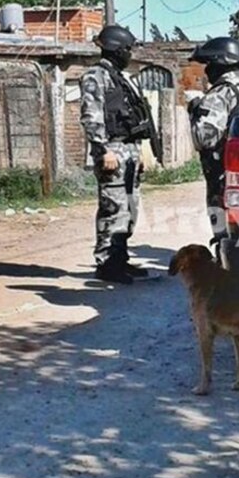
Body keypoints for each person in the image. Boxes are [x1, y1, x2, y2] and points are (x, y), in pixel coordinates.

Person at [81, 25, 157, 284]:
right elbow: (91, 116)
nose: (130, 54)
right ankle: (106, 264)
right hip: (112, 149)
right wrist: (102, 150)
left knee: (130, 209)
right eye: (127, 49)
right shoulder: (95, 76)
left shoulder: (121, 78)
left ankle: (119, 259)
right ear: (116, 49)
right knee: (113, 208)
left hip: (129, 149)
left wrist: (140, 151)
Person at [188, 37, 239, 256]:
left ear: (218, 64)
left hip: (225, 174)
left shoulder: (221, 93)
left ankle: (227, 265)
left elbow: (204, 138)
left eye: (209, 65)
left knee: (226, 231)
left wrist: (195, 109)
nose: (207, 71)